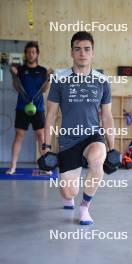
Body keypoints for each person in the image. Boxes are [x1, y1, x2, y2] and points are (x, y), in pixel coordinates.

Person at [43, 31, 114, 225]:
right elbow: (51, 114)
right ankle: (69, 196)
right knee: (69, 191)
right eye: (78, 49)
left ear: (93, 52)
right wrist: (46, 147)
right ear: (72, 52)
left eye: (87, 49)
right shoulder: (60, 80)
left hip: (93, 135)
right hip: (68, 139)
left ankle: (85, 208)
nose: (82, 53)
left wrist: (112, 147)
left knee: (97, 159)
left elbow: (107, 116)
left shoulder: (102, 81)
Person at [6, 41, 52, 175]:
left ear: (37, 54)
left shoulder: (43, 70)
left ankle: (45, 167)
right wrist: (13, 75)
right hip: (22, 108)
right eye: (28, 52)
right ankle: (13, 167)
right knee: (19, 136)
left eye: (33, 52)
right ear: (26, 54)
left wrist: (48, 78)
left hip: (38, 108)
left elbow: (44, 90)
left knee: (41, 137)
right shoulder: (20, 69)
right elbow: (16, 88)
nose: (31, 54)